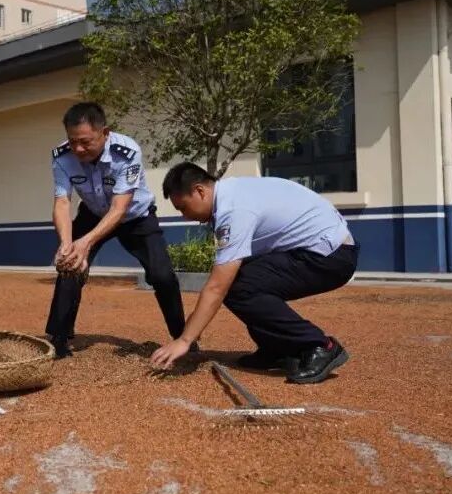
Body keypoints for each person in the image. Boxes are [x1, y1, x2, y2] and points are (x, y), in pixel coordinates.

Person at [150, 163, 358, 384]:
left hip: (331, 256)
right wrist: (192, 327)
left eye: (183, 207)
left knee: (240, 287)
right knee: (241, 281)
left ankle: (319, 346)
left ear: (200, 191)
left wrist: (184, 339)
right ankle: (276, 349)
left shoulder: (233, 211)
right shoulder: (232, 193)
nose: (184, 217)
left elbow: (217, 287)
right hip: (320, 249)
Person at [46, 102, 188, 358]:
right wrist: (68, 244)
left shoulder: (127, 151)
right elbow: (62, 202)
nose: (77, 148)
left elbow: (119, 209)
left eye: (85, 142)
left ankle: (183, 337)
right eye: (72, 140)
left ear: (105, 132)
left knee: (162, 275)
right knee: (70, 265)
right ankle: (58, 338)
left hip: (134, 215)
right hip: (92, 211)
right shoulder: (62, 156)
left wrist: (85, 243)